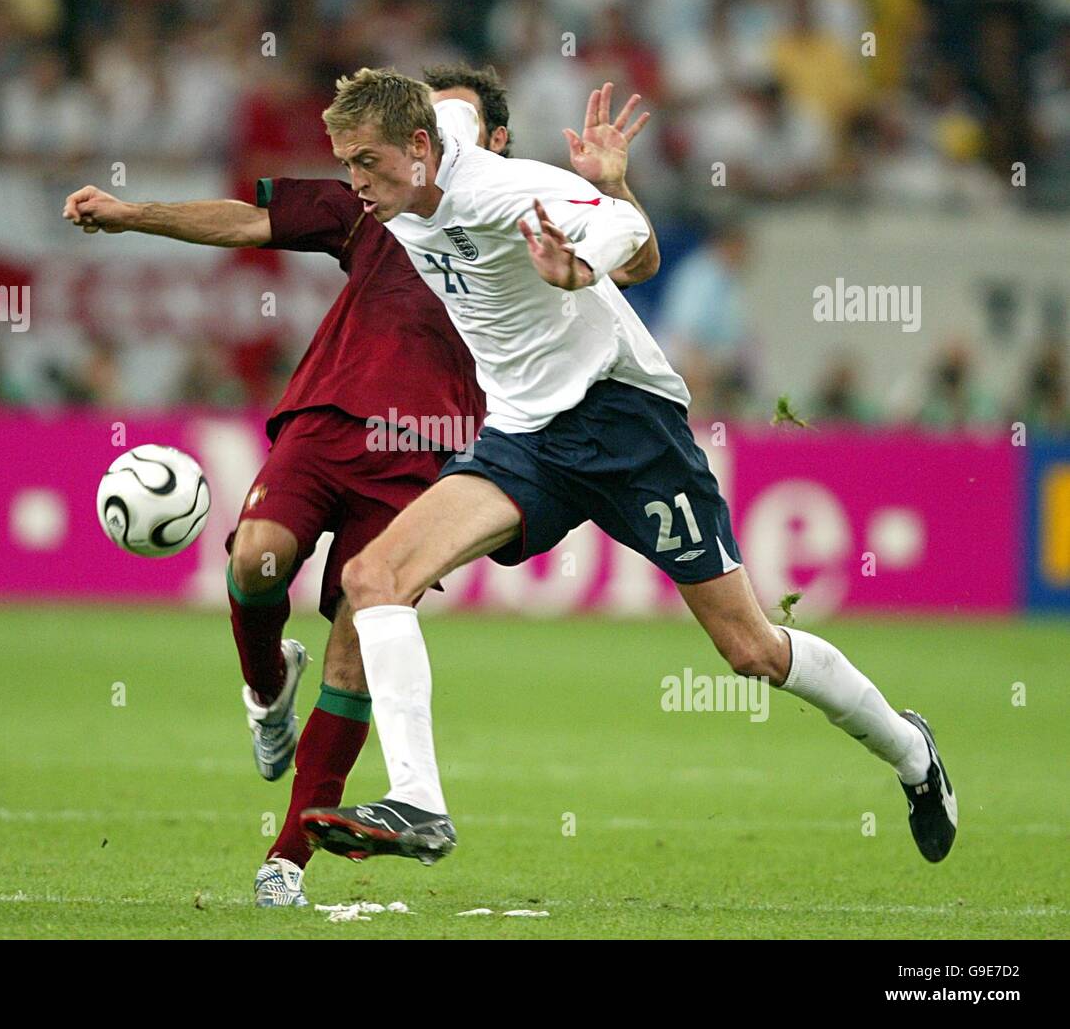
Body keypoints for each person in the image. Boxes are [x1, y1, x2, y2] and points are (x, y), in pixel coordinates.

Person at [298, 69, 956, 869]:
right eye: (346, 164)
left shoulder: (504, 190)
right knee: (373, 578)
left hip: (623, 418)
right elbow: (459, 102)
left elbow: (627, 243)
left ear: (419, 149)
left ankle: (911, 752)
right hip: (524, 434)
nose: (356, 183)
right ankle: (420, 803)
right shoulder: (425, 147)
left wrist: (582, 258)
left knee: (750, 649)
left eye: (367, 161)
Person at [61, 66, 660, 906]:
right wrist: (132, 214)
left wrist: (611, 201)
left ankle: (287, 859)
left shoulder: (526, 216)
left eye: (459, 119)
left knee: (356, 639)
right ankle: (267, 684)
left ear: (494, 142)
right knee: (258, 561)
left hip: (429, 454)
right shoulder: (372, 203)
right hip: (329, 415)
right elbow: (249, 220)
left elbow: (623, 264)